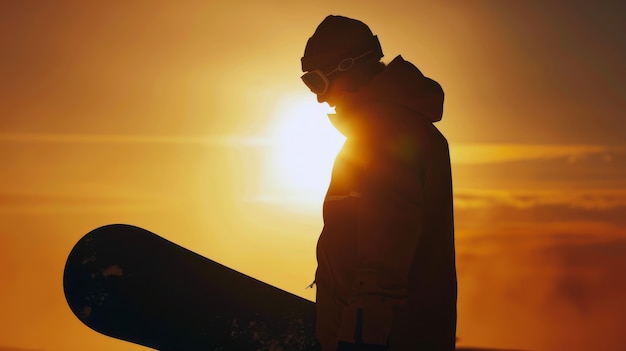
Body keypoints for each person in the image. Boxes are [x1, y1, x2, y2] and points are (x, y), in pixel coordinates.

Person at [300, 15, 457, 351]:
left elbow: (385, 251)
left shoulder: (386, 134)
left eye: (317, 81)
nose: (319, 99)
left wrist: (361, 337)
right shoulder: (384, 131)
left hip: (380, 338)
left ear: (348, 66)